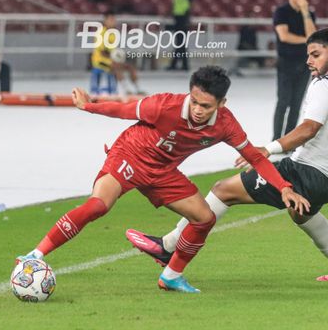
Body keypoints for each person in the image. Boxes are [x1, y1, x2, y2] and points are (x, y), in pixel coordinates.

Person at [16, 66, 310, 293]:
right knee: (98, 206)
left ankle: (171, 276)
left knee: (204, 218)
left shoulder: (225, 124)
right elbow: (123, 109)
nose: (197, 109)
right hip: (129, 155)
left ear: (222, 103)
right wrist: (89, 106)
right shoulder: (164, 106)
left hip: (163, 171)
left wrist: (283, 187)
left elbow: (256, 157)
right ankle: (34, 256)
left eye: (205, 106)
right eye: (194, 101)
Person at [127, 29, 328, 282]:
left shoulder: (325, 84)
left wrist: (269, 148)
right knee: (301, 214)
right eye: (309, 55)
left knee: (222, 191)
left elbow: (309, 128)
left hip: (306, 170)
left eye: (316, 55)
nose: (309, 61)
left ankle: (168, 246)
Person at [272, 0, 317, 141]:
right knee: (283, 102)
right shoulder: (281, 11)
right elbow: (284, 36)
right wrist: (306, 40)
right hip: (286, 62)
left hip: (305, 63)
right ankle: (276, 138)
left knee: (297, 103)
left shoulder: (310, 13)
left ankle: (289, 139)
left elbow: (313, 35)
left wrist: (305, 12)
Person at [90, 12, 144, 97]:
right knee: (116, 66)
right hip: (99, 60)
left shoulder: (113, 33)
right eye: (110, 19)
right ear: (105, 21)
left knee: (130, 66)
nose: (113, 21)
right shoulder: (101, 33)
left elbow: (113, 50)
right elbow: (102, 52)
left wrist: (118, 57)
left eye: (113, 19)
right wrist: (114, 59)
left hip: (111, 59)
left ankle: (137, 89)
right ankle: (126, 90)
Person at [167, 0, 193, 71]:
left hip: (184, 19)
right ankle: (183, 65)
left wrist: (188, 19)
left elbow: (191, 5)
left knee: (181, 43)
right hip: (177, 19)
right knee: (180, 43)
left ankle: (178, 65)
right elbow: (175, 5)